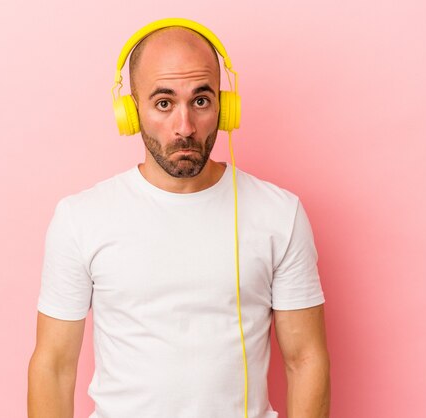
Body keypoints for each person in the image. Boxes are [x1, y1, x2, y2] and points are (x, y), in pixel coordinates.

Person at [28, 19, 330, 418]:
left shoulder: (280, 213)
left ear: (225, 107)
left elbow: (306, 359)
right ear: (132, 111)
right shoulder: (79, 218)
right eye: (164, 103)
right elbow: (53, 366)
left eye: (201, 101)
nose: (184, 127)